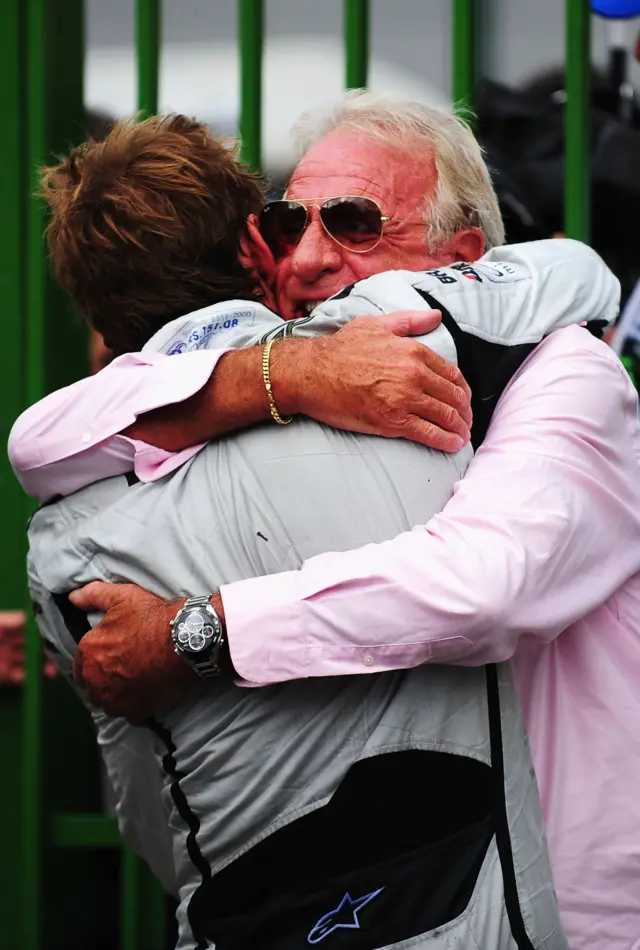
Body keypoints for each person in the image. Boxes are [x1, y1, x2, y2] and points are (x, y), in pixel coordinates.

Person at [10, 92, 639, 949]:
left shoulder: (567, 372)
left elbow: (486, 586)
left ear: (461, 258)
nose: (305, 259)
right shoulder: (287, 390)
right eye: (285, 222)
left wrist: (196, 636)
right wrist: (290, 374)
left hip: (579, 911)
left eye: (352, 222)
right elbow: (42, 437)